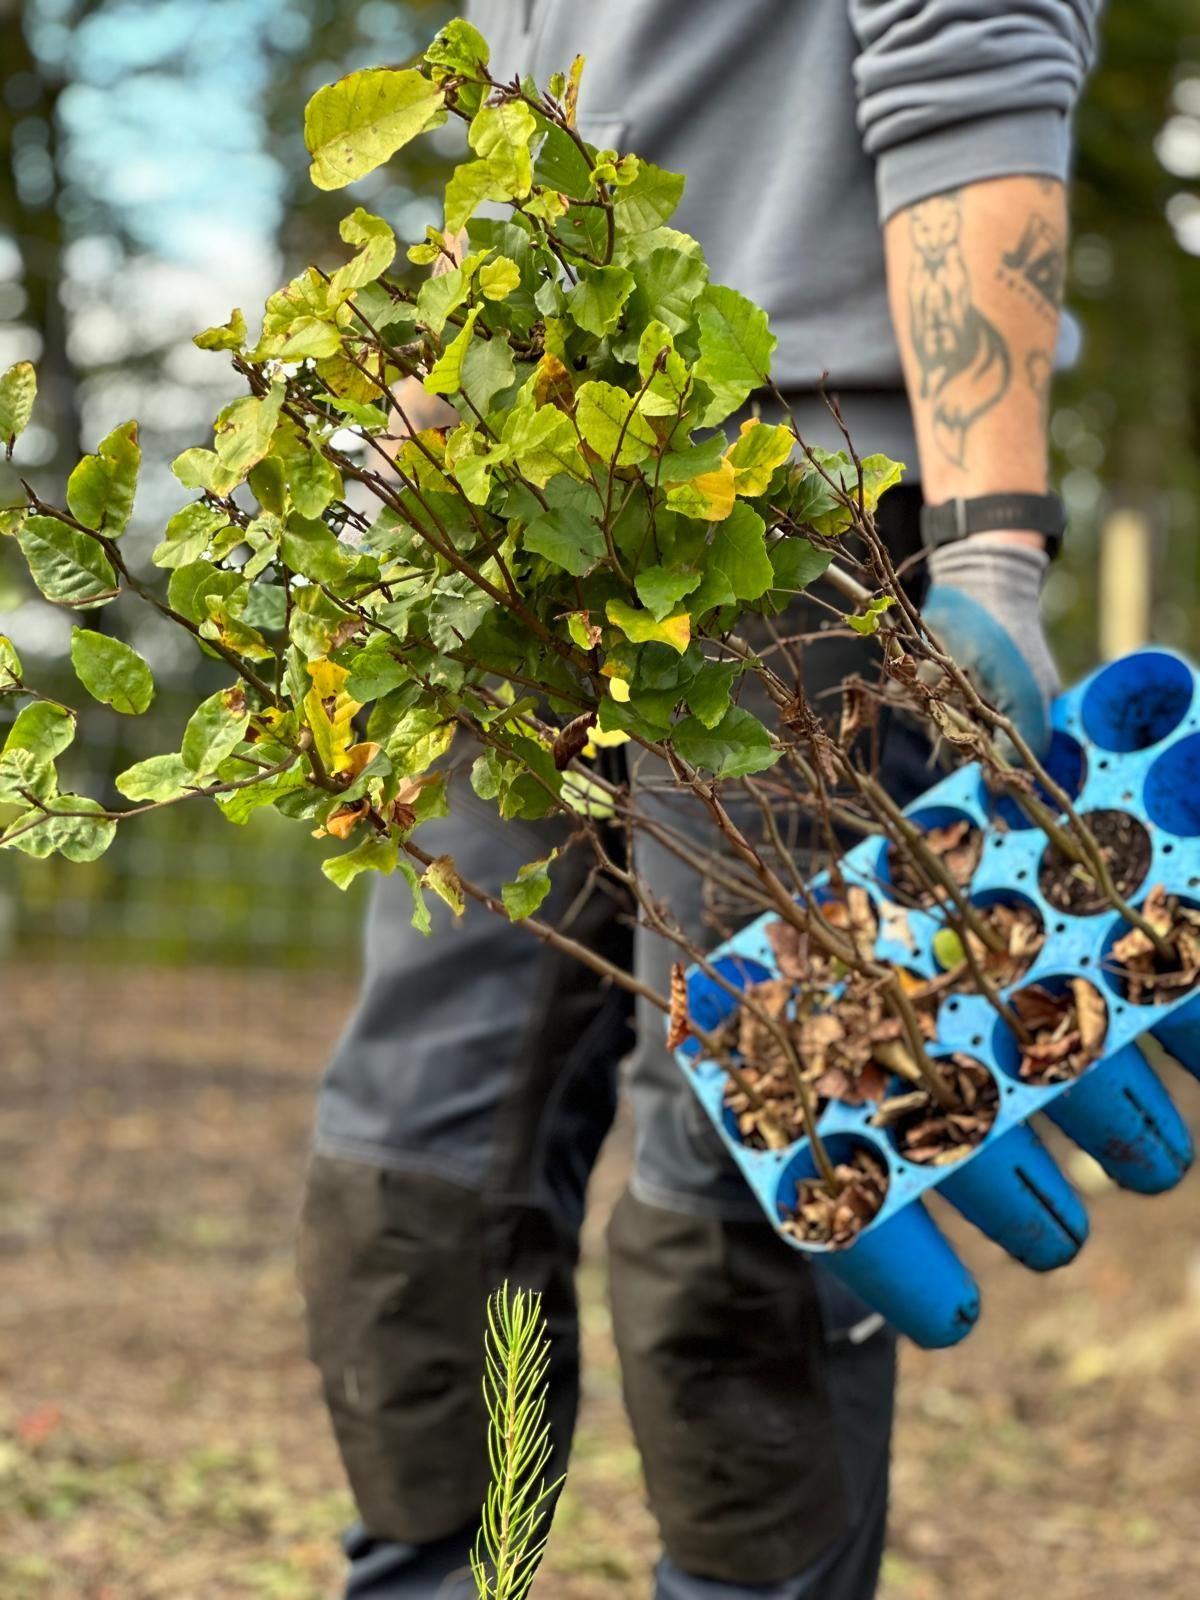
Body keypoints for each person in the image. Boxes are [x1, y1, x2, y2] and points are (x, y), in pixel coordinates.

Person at [297, 3, 1101, 1595]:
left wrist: (991, 551)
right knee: (415, 1137)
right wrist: (418, 479)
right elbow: (537, 116)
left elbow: (970, 56)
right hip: (522, 510)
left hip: (794, 506)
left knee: (743, 1144)